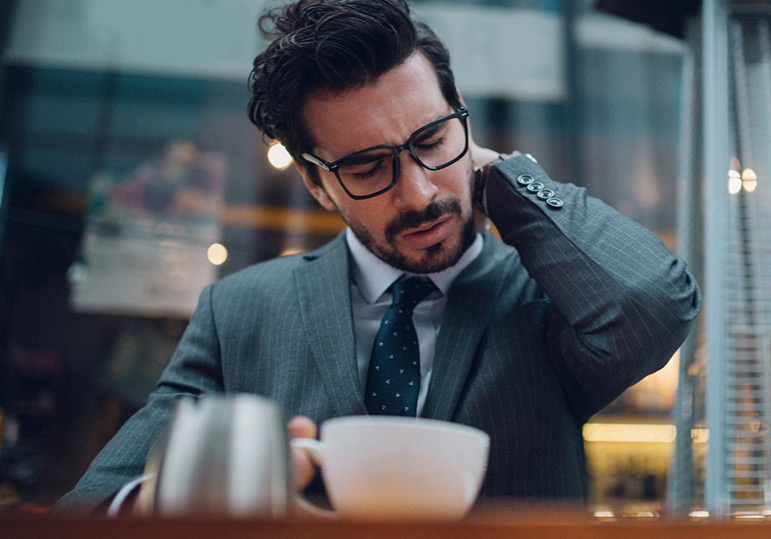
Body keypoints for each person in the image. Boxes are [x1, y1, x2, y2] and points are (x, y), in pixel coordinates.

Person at [52, 0, 699, 514]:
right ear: (316, 182)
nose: (418, 192)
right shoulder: (239, 313)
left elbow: (652, 303)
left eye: (432, 137)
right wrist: (178, 498)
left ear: (462, 121)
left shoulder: (546, 304)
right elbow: (86, 508)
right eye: (367, 166)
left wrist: (498, 178)